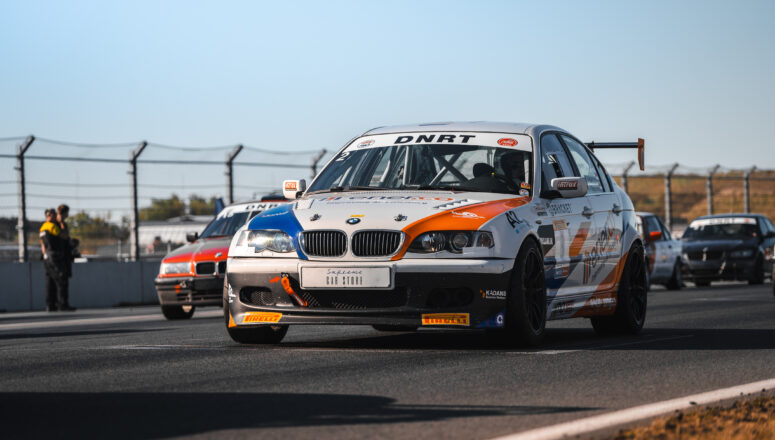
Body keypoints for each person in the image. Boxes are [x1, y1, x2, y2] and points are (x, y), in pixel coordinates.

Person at [40, 209, 74, 311]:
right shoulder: (52, 226)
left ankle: (50, 305)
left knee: (50, 281)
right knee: (61, 279)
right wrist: (62, 224)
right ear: (50, 216)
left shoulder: (42, 228)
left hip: (46, 257)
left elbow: (42, 245)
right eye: (54, 215)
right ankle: (62, 304)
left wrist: (45, 255)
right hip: (55, 256)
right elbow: (64, 236)